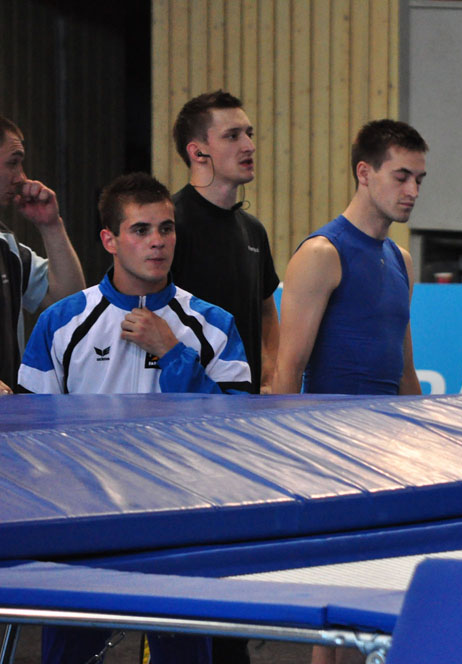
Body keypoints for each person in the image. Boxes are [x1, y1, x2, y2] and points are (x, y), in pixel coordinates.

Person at [18, 171, 250, 664]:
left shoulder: (213, 325)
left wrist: (173, 352)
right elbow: (28, 441)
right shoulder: (60, 324)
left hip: (180, 522)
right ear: (110, 240)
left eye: (166, 228)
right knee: (70, 657)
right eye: (140, 230)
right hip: (84, 524)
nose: (157, 242)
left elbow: (235, 433)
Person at [273, 119, 426, 397]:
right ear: (364, 173)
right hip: (330, 425)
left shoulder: (402, 261)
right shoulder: (321, 254)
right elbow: (288, 370)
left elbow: (405, 373)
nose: (413, 191)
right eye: (401, 178)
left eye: (418, 180)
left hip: (387, 425)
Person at [171, 90, 280, 394]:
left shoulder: (253, 230)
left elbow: (267, 310)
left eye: (249, 134)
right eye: (232, 136)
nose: (249, 146)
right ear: (198, 153)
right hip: (186, 402)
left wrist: (270, 373)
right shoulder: (169, 225)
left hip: (245, 403)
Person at [0, 115, 84, 394]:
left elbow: (68, 298)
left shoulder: (6, 245)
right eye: (13, 162)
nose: (21, 177)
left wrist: (51, 226)